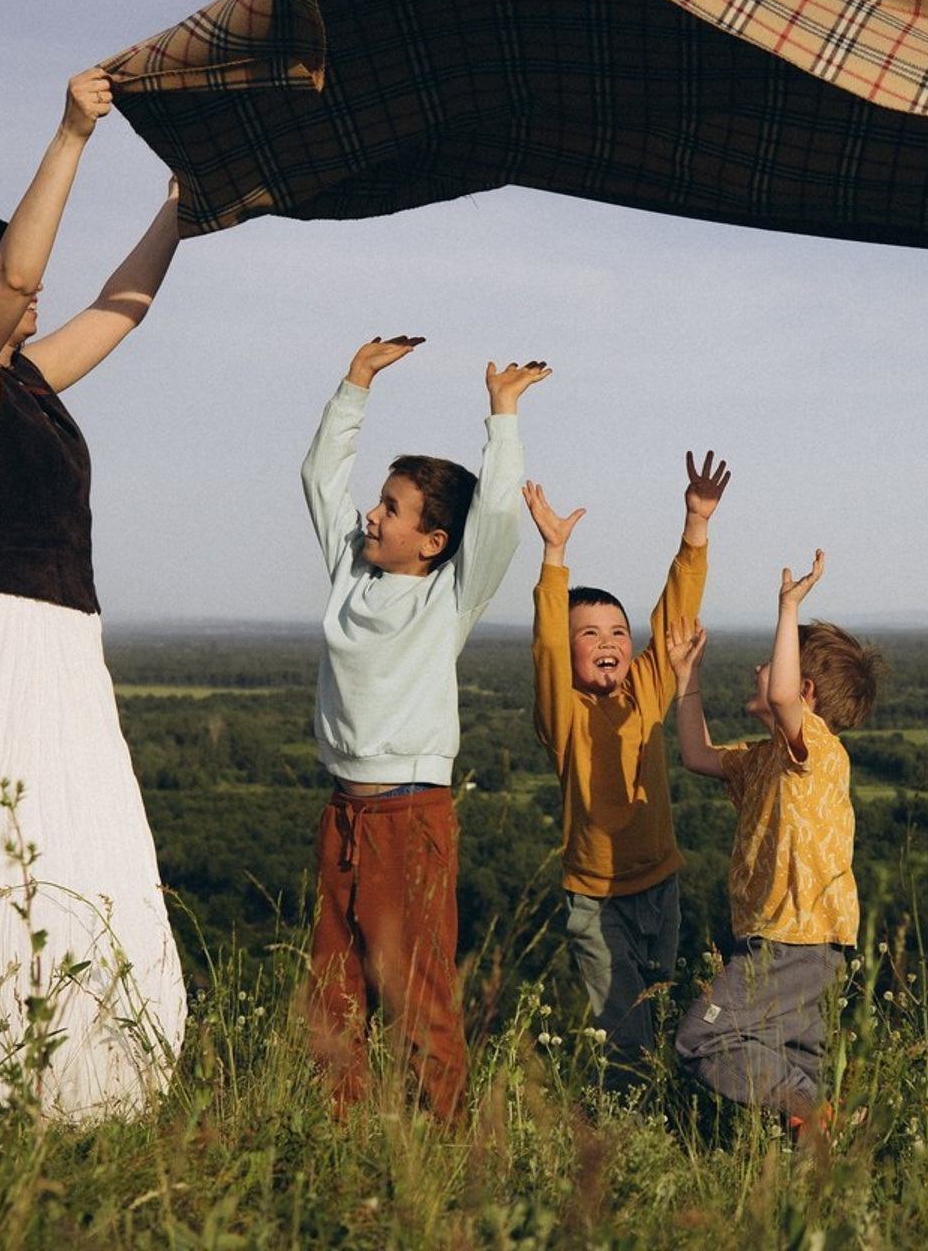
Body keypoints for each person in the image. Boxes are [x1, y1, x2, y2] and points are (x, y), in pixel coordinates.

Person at [0, 70, 187, 1120]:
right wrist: (72, 132)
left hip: (65, 649)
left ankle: (81, 1083)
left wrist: (180, 208)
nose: (34, 293)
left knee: (80, 843)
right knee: (12, 844)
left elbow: (121, 309)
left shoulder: (27, 379)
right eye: (11, 288)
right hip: (3, 643)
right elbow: (22, 266)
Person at [301, 335, 545, 1121]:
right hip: (344, 813)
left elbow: (496, 519)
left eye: (391, 509)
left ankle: (441, 1150)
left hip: (410, 817)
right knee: (332, 992)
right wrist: (356, 382)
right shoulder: (352, 569)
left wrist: (501, 415)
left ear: (434, 542)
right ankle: (336, 1143)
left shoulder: (449, 597)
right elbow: (319, 478)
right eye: (380, 501)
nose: (373, 515)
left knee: (417, 995)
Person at [523, 452, 729, 1087]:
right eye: (589, 634)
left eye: (617, 631)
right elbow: (547, 649)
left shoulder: (645, 691)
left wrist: (696, 527)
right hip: (596, 899)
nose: (608, 641)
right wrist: (554, 557)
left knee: (662, 1017)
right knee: (625, 1035)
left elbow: (672, 621)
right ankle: (626, 1125)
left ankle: (663, 1116)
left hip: (661, 885)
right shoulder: (563, 714)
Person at [667, 551, 884, 1130]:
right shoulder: (764, 758)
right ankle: (817, 1148)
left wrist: (788, 608)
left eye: (770, 663)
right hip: (798, 941)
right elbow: (696, 755)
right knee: (792, 1066)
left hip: (792, 939)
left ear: (804, 691)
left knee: (703, 1039)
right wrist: (687, 677)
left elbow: (784, 698)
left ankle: (823, 1116)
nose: (758, 669)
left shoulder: (817, 749)